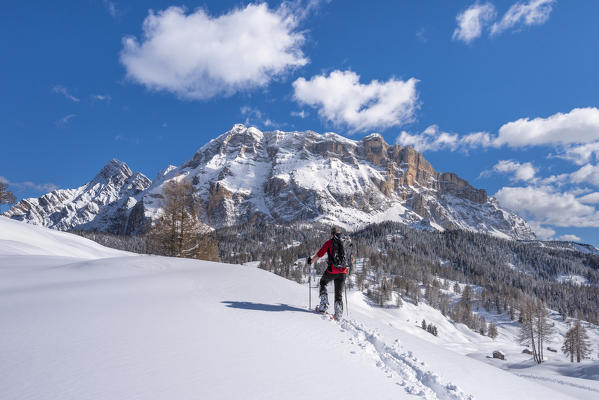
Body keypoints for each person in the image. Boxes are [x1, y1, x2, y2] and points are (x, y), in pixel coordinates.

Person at [307, 227, 348, 319]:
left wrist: (311, 261)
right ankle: (338, 314)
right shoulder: (345, 242)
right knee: (339, 294)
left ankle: (323, 305)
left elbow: (319, 255)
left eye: (330, 234)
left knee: (323, 282)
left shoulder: (329, 243)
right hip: (343, 272)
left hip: (332, 270)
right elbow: (351, 258)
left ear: (332, 234)